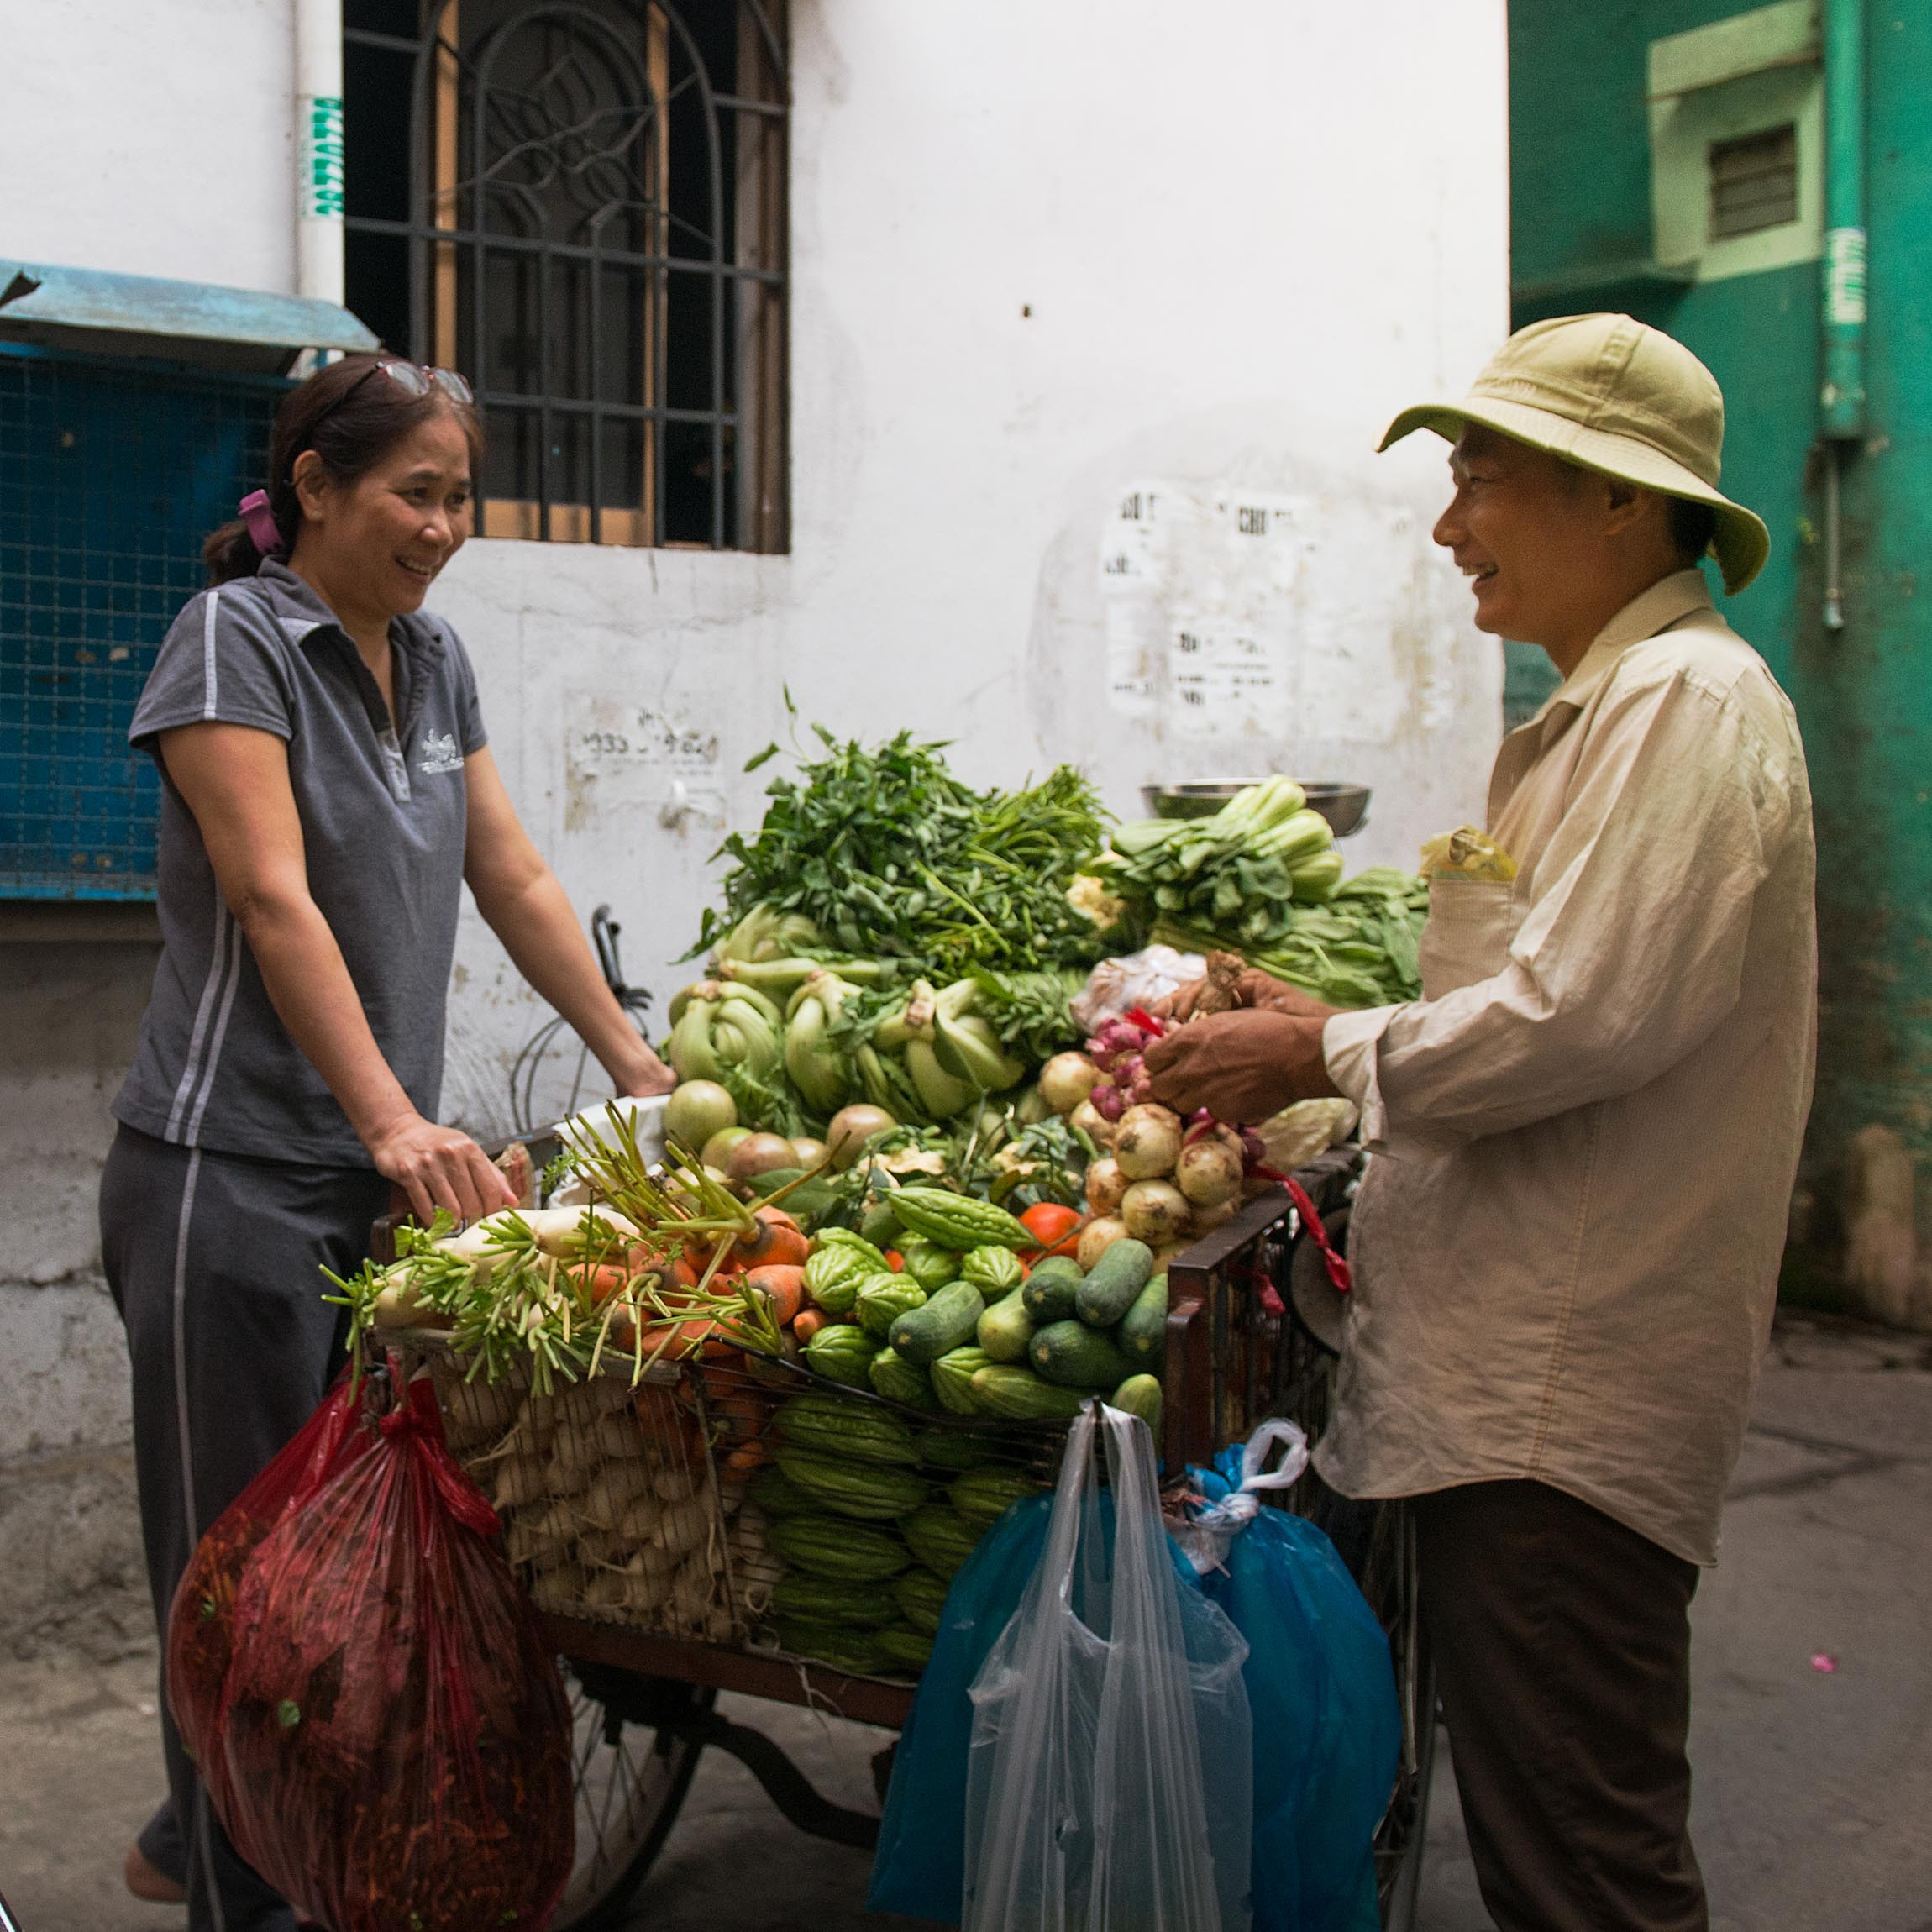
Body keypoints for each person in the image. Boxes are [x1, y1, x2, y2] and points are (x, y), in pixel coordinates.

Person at [1147, 312, 1815, 1932]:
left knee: (1581, 1867)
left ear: (1618, 499)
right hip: (1511, 1382)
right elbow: (1542, 998)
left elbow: (1580, 1018)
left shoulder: (1687, 704)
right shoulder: (1613, 706)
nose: (1450, 527)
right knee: (1553, 1839)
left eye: (1481, 479)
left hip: (1559, 1404)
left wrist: (1317, 1048)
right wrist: (1325, 1024)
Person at [101, 353, 674, 1932]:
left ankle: (202, 1839)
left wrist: (636, 1058)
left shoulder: (433, 658)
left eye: (460, 497)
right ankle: (243, 1896)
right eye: (416, 493)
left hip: (366, 1189)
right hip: (226, 1182)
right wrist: (395, 1119)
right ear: (314, 486)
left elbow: (514, 874)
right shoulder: (236, 638)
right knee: (242, 1586)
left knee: (333, 1578)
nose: (443, 528)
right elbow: (269, 893)